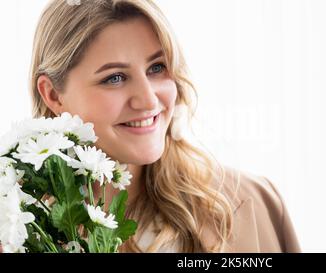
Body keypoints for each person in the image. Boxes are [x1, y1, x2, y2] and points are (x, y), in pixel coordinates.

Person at [27, 0, 301, 253]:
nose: (148, 100)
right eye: (115, 78)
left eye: (157, 67)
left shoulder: (251, 204)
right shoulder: (19, 223)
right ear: (52, 95)